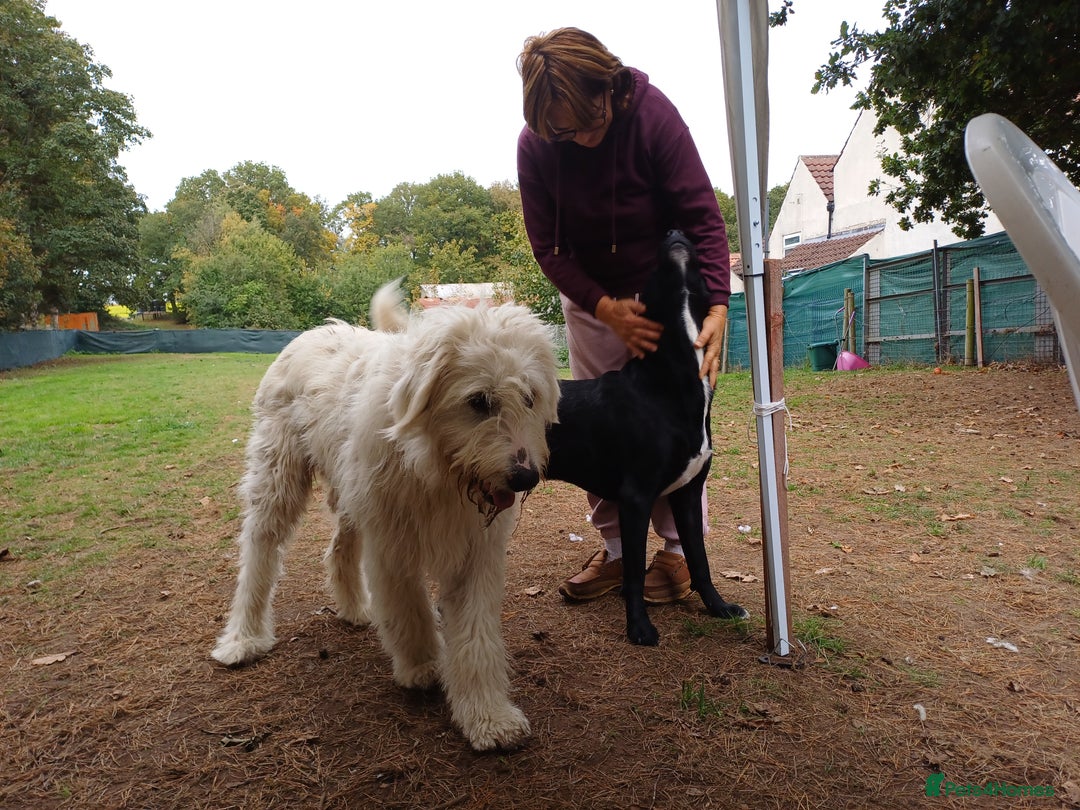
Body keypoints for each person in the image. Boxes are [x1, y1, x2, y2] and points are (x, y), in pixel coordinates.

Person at [516, 27, 733, 604]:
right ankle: (617, 552)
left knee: (680, 421)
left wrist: (716, 304)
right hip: (594, 300)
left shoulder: (654, 114)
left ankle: (679, 557)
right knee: (598, 427)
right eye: (564, 132)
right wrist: (605, 308)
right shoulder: (537, 144)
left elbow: (703, 218)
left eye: (589, 124)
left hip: (668, 297)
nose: (580, 140)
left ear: (609, 88)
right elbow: (549, 248)